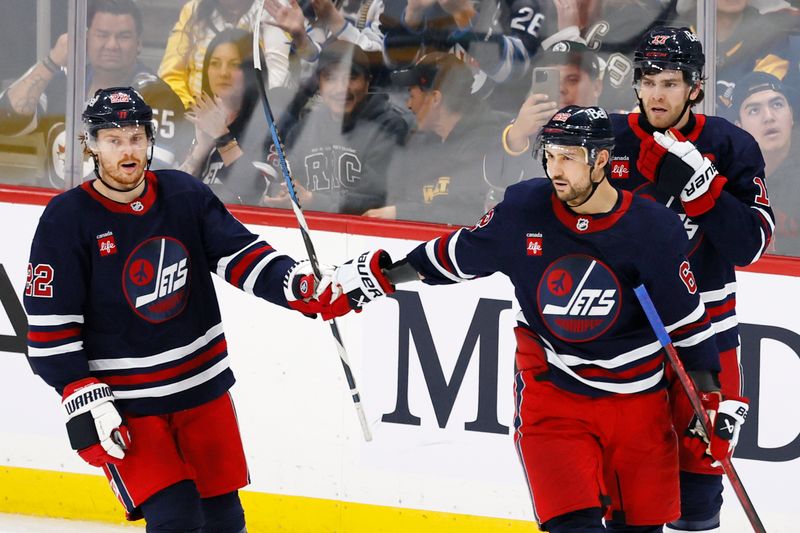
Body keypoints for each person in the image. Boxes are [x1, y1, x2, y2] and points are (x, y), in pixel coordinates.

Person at [320, 105, 748, 532]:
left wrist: (709, 400)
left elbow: (688, 327)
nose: (555, 169)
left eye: (569, 157)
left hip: (638, 408)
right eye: (551, 155)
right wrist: (379, 278)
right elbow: (455, 257)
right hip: (556, 401)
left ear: (601, 160)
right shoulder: (525, 211)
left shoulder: (653, 228)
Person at [23, 87, 336, 532]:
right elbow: (50, 327)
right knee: (175, 519)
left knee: (224, 519)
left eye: (135, 137)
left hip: (200, 392)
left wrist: (298, 285)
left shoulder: (183, 194)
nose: (127, 150)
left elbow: (242, 255)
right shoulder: (66, 219)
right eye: (113, 140)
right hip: (129, 404)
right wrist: (77, 389)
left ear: (150, 140)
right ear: (90, 145)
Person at [607, 27, 775, 533]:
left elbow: (751, 245)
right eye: (649, 81)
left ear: (695, 87)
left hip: (709, 335)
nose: (657, 94)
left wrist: (703, 192)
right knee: (629, 492)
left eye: (671, 83)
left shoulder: (730, 143)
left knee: (699, 496)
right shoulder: (605, 138)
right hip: (624, 335)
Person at [0, 0, 186, 189]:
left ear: (138, 44)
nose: (111, 45)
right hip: (54, 207)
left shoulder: (155, 97)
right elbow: (6, 121)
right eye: (102, 35)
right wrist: (52, 61)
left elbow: (144, 181)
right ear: (86, 39)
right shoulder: (63, 79)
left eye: (123, 36)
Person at [364, 52, 511, 225]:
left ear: (435, 99)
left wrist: (399, 213)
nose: (408, 105)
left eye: (412, 95)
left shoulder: (482, 144)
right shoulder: (422, 141)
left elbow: (468, 212)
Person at [265, 40, 409, 215]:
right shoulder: (306, 126)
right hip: (308, 233)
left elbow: (376, 198)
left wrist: (313, 200)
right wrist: (280, 195)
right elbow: (284, 177)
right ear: (319, 83)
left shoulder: (389, 126)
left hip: (363, 236)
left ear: (367, 82)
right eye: (330, 78)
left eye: (352, 77)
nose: (341, 88)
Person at [178, 28, 286, 205]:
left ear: (252, 71)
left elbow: (255, 192)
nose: (223, 73)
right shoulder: (194, 122)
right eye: (215, 63)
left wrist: (221, 136)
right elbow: (172, 197)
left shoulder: (268, 126)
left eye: (234, 64)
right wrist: (202, 149)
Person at [158, 0, 291, 109]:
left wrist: (241, 121)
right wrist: (194, 113)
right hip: (194, 117)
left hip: (251, 121)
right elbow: (171, 74)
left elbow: (277, 80)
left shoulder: (273, 7)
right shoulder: (194, 9)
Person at [733, 71, 800, 256]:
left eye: (777, 104)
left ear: (791, 115)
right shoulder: (729, 180)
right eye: (754, 110)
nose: (769, 117)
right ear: (739, 128)